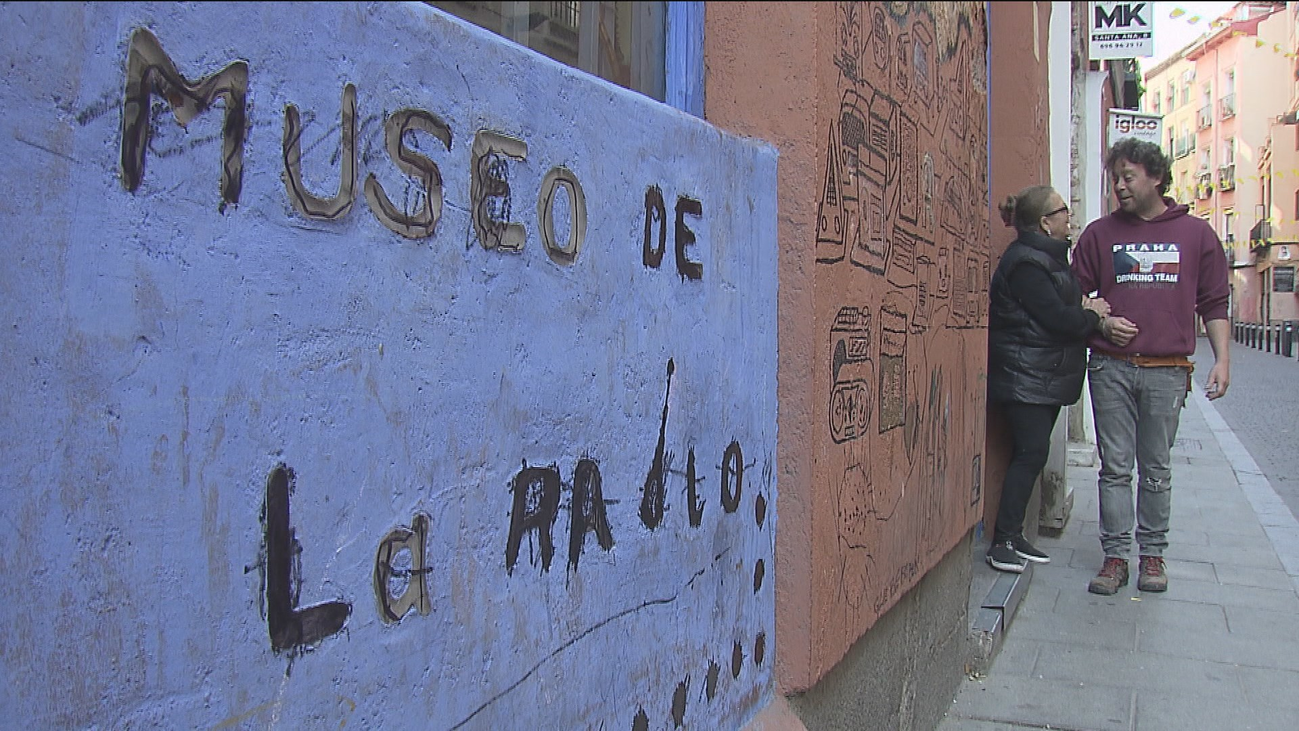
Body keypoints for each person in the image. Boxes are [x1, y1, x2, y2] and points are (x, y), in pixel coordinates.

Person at [1072, 138, 1230, 595]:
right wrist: (1101, 319)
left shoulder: (1196, 235)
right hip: (1111, 367)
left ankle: (1152, 555)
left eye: (1128, 177)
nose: (1119, 186)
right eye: (1115, 178)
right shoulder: (1099, 235)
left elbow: (1214, 302)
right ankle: (1115, 557)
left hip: (1167, 369)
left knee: (1157, 467)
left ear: (1156, 177)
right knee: (1115, 467)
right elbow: (1072, 295)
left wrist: (1222, 360)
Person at [985, 185, 1110, 574]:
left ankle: (1013, 535)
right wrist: (1093, 315)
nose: (1068, 217)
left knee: (1033, 454)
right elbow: (1057, 318)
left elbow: (1060, 307)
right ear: (1045, 222)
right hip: (1025, 375)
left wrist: (1083, 308)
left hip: (1040, 374)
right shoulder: (1027, 263)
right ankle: (1002, 542)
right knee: (1031, 453)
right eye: (1063, 211)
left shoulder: (1047, 259)